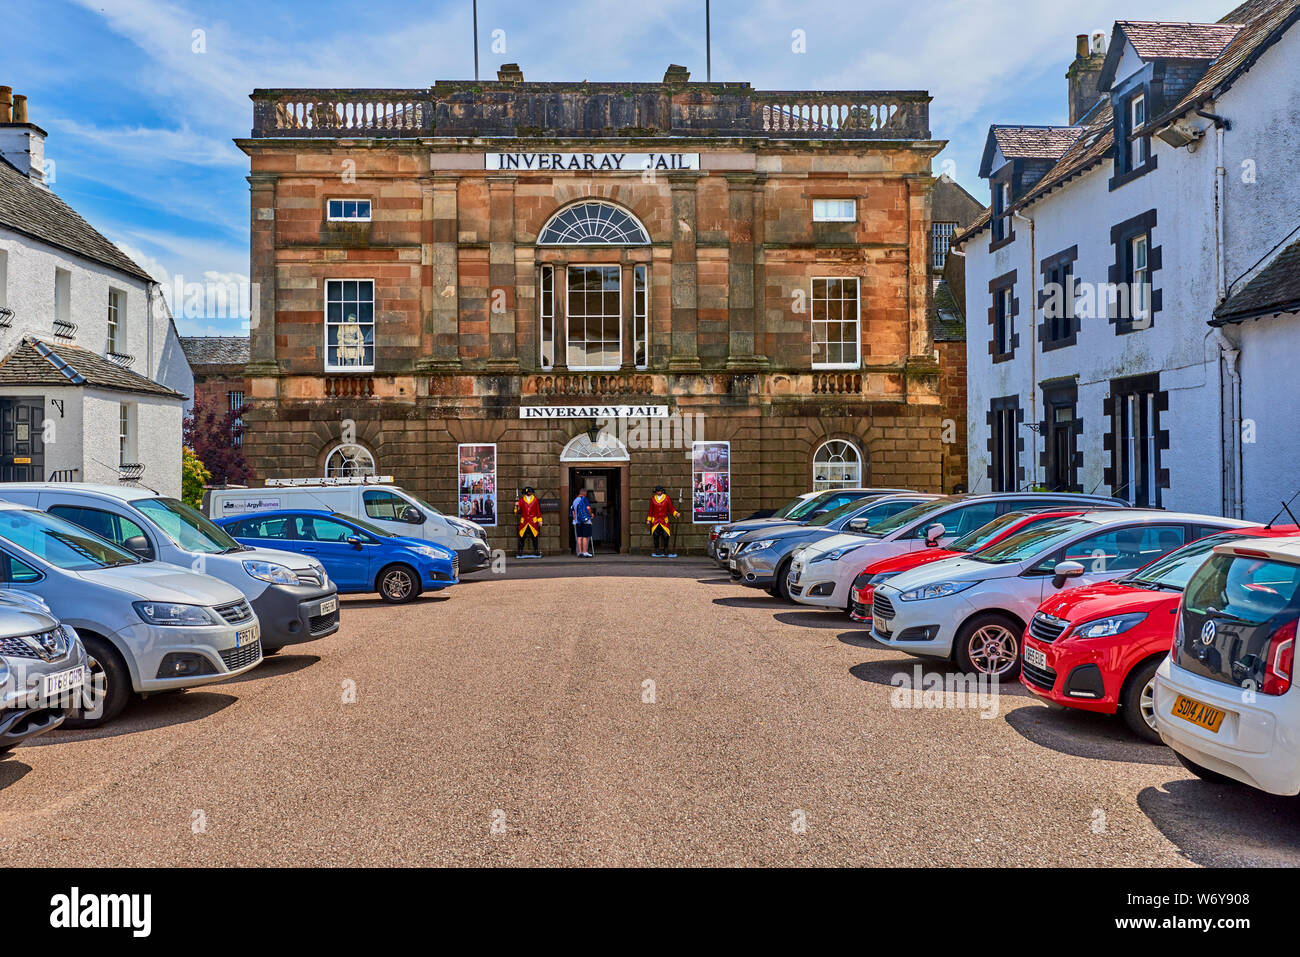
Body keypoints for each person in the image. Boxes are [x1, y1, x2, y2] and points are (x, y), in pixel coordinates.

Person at [647, 485, 679, 558]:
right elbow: (651, 510)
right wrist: (649, 519)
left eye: (659, 491)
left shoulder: (667, 498)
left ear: (662, 491)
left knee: (666, 535)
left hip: (664, 520)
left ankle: (665, 550)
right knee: (655, 535)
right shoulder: (653, 499)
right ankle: (657, 550)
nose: (658, 492)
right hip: (655, 520)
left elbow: (671, 508)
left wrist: (675, 513)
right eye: (657, 491)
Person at [515, 486, 542, 559]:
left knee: (535, 537)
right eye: (528, 492)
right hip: (524, 522)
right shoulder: (521, 500)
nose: (529, 493)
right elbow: (518, 511)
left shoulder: (535, 500)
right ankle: (520, 551)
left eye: (530, 492)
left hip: (533, 521)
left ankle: (536, 551)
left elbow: (538, 510)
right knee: (522, 537)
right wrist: (516, 506)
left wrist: (540, 520)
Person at [571, 486, 593, 557]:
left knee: (579, 537)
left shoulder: (575, 500)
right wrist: (591, 514)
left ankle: (580, 552)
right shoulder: (584, 499)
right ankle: (585, 552)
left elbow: (573, 511)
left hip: (578, 521)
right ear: (585, 493)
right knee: (585, 537)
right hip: (585, 521)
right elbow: (588, 508)